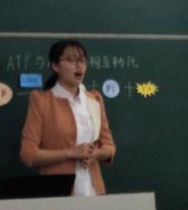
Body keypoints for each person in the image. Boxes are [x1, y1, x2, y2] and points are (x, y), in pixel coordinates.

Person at [20, 39, 116, 195]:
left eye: (82, 60)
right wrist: (71, 152)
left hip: (94, 191)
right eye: (71, 60)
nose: (79, 65)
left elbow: (109, 148)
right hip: (57, 192)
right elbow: (28, 154)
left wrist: (95, 154)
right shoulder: (41, 101)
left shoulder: (95, 100)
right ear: (55, 66)